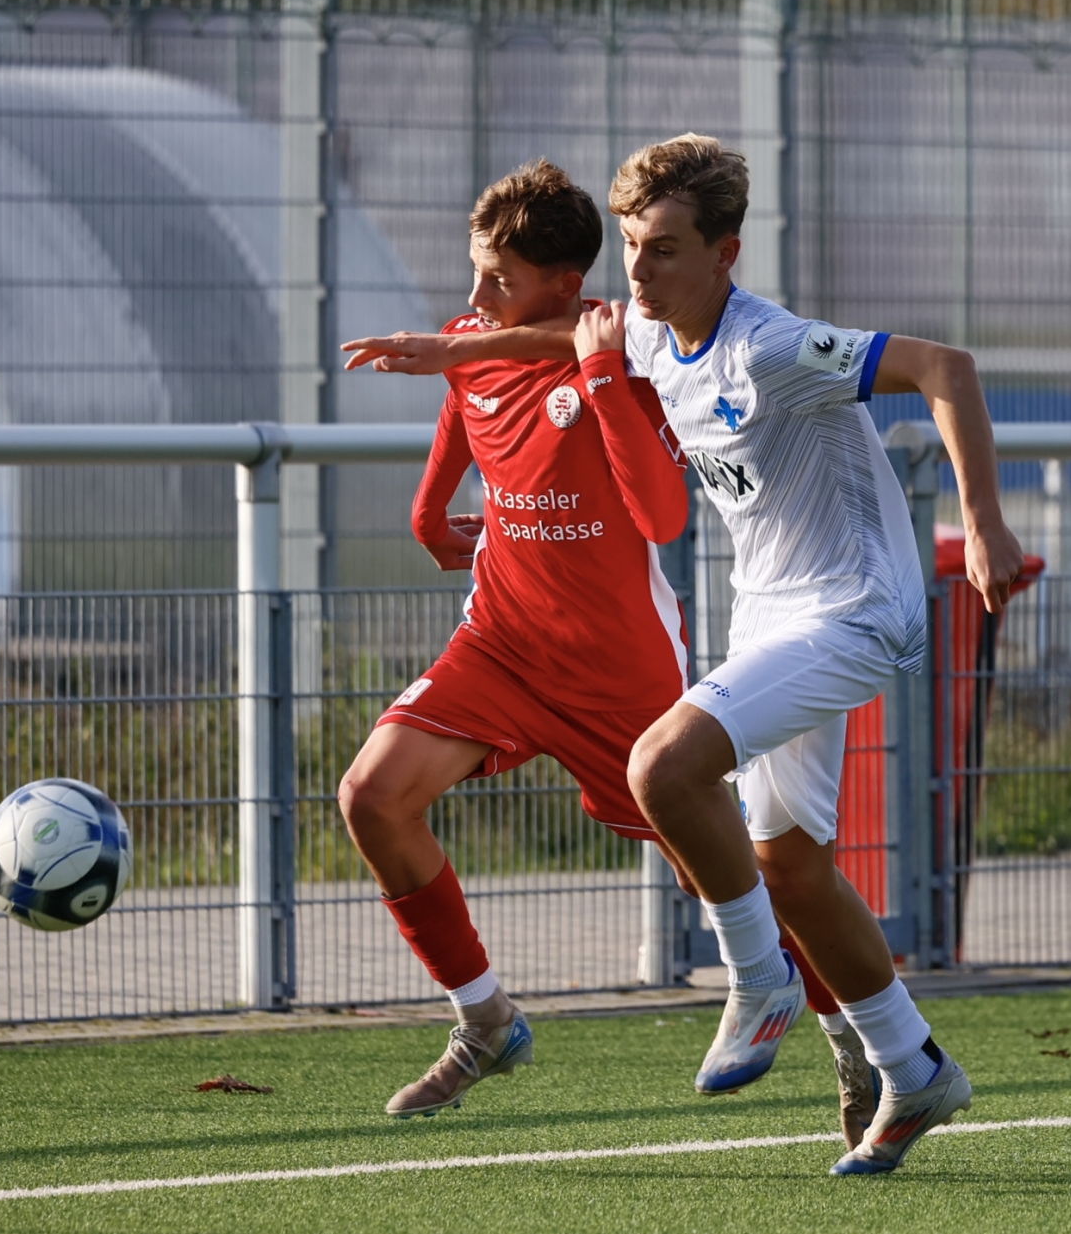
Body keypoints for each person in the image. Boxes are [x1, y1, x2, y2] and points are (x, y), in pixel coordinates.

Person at [346, 135, 1029, 1176]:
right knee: (787, 865)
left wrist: (983, 526)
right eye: (631, 245)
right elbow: (566, 337)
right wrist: (446, 354)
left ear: (725, 254)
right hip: (767, 616)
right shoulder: (651, 331)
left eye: (663, 249)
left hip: (855, 610)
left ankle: (756, 983)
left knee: (663, 766)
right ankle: (912, 1063)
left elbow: (947, 368)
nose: (639, 270)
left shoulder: (772, 347)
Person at [335, 160, 854, 1130]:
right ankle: (485, 1020)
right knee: (372, 794)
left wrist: (607, 380)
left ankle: (855, 1032)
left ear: (565, 285)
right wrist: (429, 512)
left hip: (618, 673)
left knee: (734, 875)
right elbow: (464, 402)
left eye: (499, 279)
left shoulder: (624, 357)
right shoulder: (472, 340)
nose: (475, 296)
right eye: (475, 271)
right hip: (500, 643)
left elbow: (662, 518)